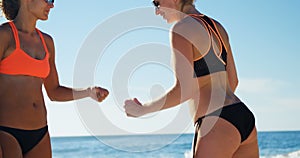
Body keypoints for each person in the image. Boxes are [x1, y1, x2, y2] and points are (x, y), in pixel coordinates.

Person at [124, 0, 259, 157]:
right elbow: (233, 81)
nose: (157, 11)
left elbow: (184, 90)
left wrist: (143, 109)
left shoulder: (181, 29)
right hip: (242, 116)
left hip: (216, 122)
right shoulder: (218, 27)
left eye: (157, 3)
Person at [0, 0, 109, 157]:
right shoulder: (4, 36)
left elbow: (54, 91)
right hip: (6, 132)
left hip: (40, 134)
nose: (51, 5)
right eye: (48, 0)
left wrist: (88, 92)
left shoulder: (47, 42)